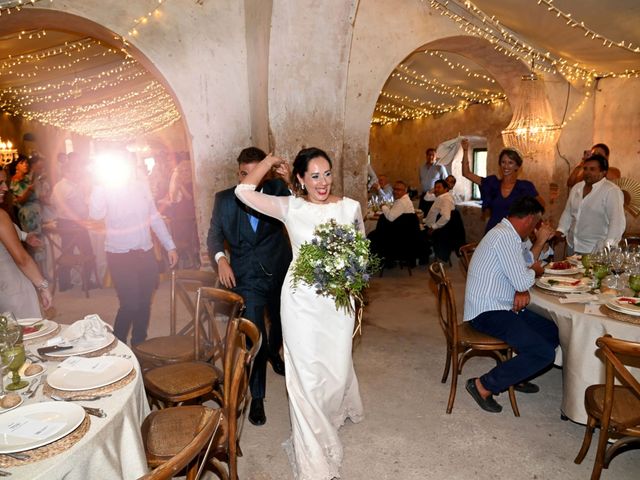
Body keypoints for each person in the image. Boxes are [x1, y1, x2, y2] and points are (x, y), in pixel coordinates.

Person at [235, 147, 364, 480]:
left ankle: (331, 414)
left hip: (338, 303)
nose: (322, 182)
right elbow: (243, 191)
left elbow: (360, 253)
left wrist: (352, 278)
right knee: (306, 376)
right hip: (300, 303)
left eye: (327, 174)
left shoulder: (350, 208)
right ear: (301, 179)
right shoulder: (289, 206)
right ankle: (313, 462)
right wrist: (267, 163)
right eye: (314, 176)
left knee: (334, 372)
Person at [207, 146, 291, 426]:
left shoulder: (279, 190)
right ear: (239, 172)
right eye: (245, 174)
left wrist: (292, 183)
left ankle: (274, 351)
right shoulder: (223, 200)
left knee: (280, 323)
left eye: (256, 173)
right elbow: (214, 238)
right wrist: (220, 260)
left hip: (279, 269)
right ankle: (257, 397)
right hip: (247, 277)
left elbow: (304, 213)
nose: (249, 179)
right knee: (255, 335)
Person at [463, 196, 559, 413]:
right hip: (487, 311)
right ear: (529, 220)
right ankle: (483, 385)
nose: (535, 230)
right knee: (544, 353)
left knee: (552, 331)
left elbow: (524, 264)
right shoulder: (504, 237)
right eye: (535, 225)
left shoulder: (509, 234)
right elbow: (524, 279)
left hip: (503, 305)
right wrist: (535, 271)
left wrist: (530, 267)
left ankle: (518, 374)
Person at [89, 151, 178, 345]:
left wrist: (169, 246)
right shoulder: (105, 188)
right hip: (119, 256)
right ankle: (118, 344)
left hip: (145, 254)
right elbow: (95, 215)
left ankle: (139, 342)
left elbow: (154, 217)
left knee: (145, 303)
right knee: (129, 304)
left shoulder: (141, 186)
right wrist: (98, 184)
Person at [460, 139, 544, 233]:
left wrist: (530, 227)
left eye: (510, 163)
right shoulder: (492, 184)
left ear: (517, 166)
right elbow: (466, 173)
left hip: (514, 233)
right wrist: (465, 150)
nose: (506, 166)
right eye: (503, 162)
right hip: (493, 231)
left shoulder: (525, 187)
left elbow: (541, 206)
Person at [0, 169, 52, 318]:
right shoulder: (1, 216)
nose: (5, 187)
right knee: (27, 335)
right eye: (0, 183)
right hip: (12, 287)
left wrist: (24, 236)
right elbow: (22, 259)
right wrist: (43, 286)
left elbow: (6, 233)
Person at [555, 154, 625, 254]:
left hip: (596, 250)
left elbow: (617, 222)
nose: (587, 172)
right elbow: (568, 212)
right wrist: (561, 230)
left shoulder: (611, 191)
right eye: (585, 169)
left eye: (592, 169)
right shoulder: (577, 188)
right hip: (572, 246)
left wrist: (608, 247)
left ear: (603, 172)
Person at [51, 155, 96, 291]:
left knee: (66, 252)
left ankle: (64, 283)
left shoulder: (58, 186)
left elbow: (53, 203)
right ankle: (87, 283)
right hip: (75, 224)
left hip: (63, 224)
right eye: (74, 171)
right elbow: (73, 208)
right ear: (66, 172)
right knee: (88, 252)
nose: (77, 173)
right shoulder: (69, 187)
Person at [424, 179, 465, 262]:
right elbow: (426, 198)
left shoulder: (445, 199)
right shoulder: (441, 196)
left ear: (446, 189)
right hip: (433, 225)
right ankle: (427, 253)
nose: (436, 189)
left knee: (415, 233)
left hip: (438, 230)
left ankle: (422, 257)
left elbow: (446, 217)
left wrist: (433, 227)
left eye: (439, 187)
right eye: (435, 187)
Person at [418, 147, 447, 215]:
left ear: (435, 157)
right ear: (426, 156)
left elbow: (445, 183)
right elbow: (421, 180)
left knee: (432, 216)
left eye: (433, 155)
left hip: (435, 196)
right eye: (429, 155)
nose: (430, 157)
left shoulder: (440, 167)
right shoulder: (421, 168)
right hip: (424, 195)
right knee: (421, 214)